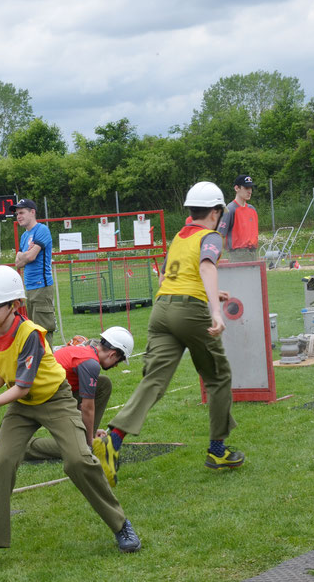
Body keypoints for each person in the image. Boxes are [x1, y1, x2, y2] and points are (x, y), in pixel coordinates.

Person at [0, 266, 140, 574]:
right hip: (21, 405)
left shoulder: (30, 333)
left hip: (53, 398)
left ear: (14, 306)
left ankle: (121, 525)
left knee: (79, 460)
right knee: (2, 463)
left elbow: (22, 386)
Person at [94, 181, 243, 489]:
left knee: (154, 381)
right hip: (191, 313)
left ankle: (113, 440)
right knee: (217, 377)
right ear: (216, 212)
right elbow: (206, 266)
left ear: (191, 210)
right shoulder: (211, 236)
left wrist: (210, 293)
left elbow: (167, 276)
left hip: (162, 310)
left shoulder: (179, 236)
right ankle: (217, 451)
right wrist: (214, 310)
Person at [23, 327, 134, 460]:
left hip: (54, 395)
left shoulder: (85, 352)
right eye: (119, 361)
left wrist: (91, 433)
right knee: (80, 450)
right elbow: (87, 407)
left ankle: (86, 438)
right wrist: (89, 444)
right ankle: (23, 447)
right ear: (112, 354)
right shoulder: (90, 363)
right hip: (44, 400)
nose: (116, 365)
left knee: (103, 384)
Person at [13, 199, 56, 341]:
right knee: (33, 331)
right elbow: (18, 263)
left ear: (32, 212)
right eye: (17, 214)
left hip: (42, 287)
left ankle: (47, 362)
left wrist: (24, 255)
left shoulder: (42, 230)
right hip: (29, 288)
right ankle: (37, 361)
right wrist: (25, 255)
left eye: (22, 213)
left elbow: (30, 257)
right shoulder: (25, 236)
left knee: (43, 331)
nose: (18, 216)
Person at [217, 174, 260, 261]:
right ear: (237, 188)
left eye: (251, 188)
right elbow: (221, 235)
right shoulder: (230, 209)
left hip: (253, 253)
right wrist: (233, 252)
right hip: (238, 255)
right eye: (246, 188)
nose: (250, 191)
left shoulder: (252, 209)